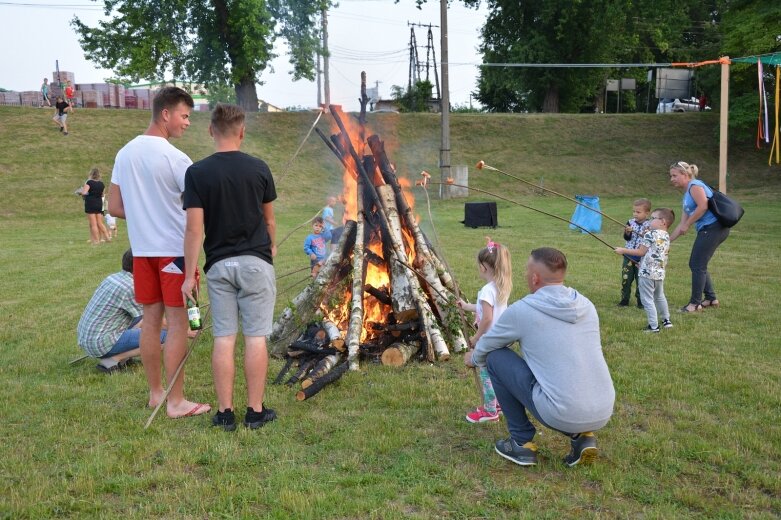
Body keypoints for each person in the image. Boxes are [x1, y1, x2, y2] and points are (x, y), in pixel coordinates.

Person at [108, 86, 211, 419]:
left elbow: (115, 206)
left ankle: (156, 394)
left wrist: (142, 212)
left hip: (141, 253)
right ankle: (175, 401)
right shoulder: (176, 159)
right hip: (171, 252)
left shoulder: (124, 153)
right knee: (178, 324)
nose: (187, 123)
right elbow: (197, 211)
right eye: (184, 116)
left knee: (151, 323)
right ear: (165, 113)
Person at [465, 247, 615, 467]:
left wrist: (473, 358)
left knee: (495, 357)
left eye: (527, 270)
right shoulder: (587, 306)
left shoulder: (523, 310)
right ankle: (583, 437)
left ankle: (520, 442)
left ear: (534, 278)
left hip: (560, 412)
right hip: (603, 409)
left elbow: (488, 344)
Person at [182, 103, 278, 431]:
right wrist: (272, 247)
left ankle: (225, 413)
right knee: (255, 338)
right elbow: (269, 220)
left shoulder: (197, 173)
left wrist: (188, 273)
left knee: (224, 338)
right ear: (242, 131)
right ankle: (254, 411)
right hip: (255, 263)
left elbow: (194, 228)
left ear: (211, 130)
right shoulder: (259, 168)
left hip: (219, 266)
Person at [77, 249, 167, 373]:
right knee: (166, 337)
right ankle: (115, 359)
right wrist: (183, 330)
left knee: (141, 320)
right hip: (99, 343)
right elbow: (153, 321)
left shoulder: (113, 277)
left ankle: (123, 355)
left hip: (87, 338)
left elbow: (141, 318)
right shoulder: (132, 287)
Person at [456, 238, 512, 423]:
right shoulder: (500, 287)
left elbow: (487, 318)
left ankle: (489, 411)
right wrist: (466, 306)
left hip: (487, 339)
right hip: (500, 338)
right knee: (496, 372)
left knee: (485, 373)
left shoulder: (487, 290)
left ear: (483, 267)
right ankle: (498, 404)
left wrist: (476, 337)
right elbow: (483, 309)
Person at [668, 161, 730, 313]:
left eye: (675, 175)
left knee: (697, 264)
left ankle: (695, 304)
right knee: (698, 264)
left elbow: (703, 206)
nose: (672, 179)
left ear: (685, 175)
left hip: (714, 228)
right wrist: (665, 241)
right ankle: (710, 298)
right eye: (671, 176)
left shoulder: (695, 185)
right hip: (709, 229)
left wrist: (688, 224)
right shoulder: (686, 195)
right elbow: (681, 226)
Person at [615, 208, 676, 333]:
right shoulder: (666, 235)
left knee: (647, 300)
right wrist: (642, 263)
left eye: (653, 219)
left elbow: (641, 252)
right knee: (659, 296)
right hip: (659, 273)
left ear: (662, 222)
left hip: (647, 274)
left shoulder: (650, 234)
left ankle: (653, 327)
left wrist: (623, 250)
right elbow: (656, 254)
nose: (650, 221)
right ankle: (666, 321)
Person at [618, 198, 651, 308]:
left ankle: (641, 302)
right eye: (634, 211)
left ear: (647, 213)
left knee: (640, 280)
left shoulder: (650, 225)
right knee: (626, 278)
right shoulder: (630, 222)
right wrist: (627, 232)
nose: (635, 214)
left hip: (642, 257)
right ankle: (624, 299)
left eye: (638, 212)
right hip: (628, 255)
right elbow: (627, 238)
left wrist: (645, 233)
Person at [81, 168, 112, 245]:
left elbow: (84, 193)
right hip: (99, 204)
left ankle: (96, 240)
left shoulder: (89, 182)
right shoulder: (102, 184)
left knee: (93, 223)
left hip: (90, 203)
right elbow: (102, 195)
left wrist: (81, 193)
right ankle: (107, 237)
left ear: (91, 174)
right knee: (100, 223)